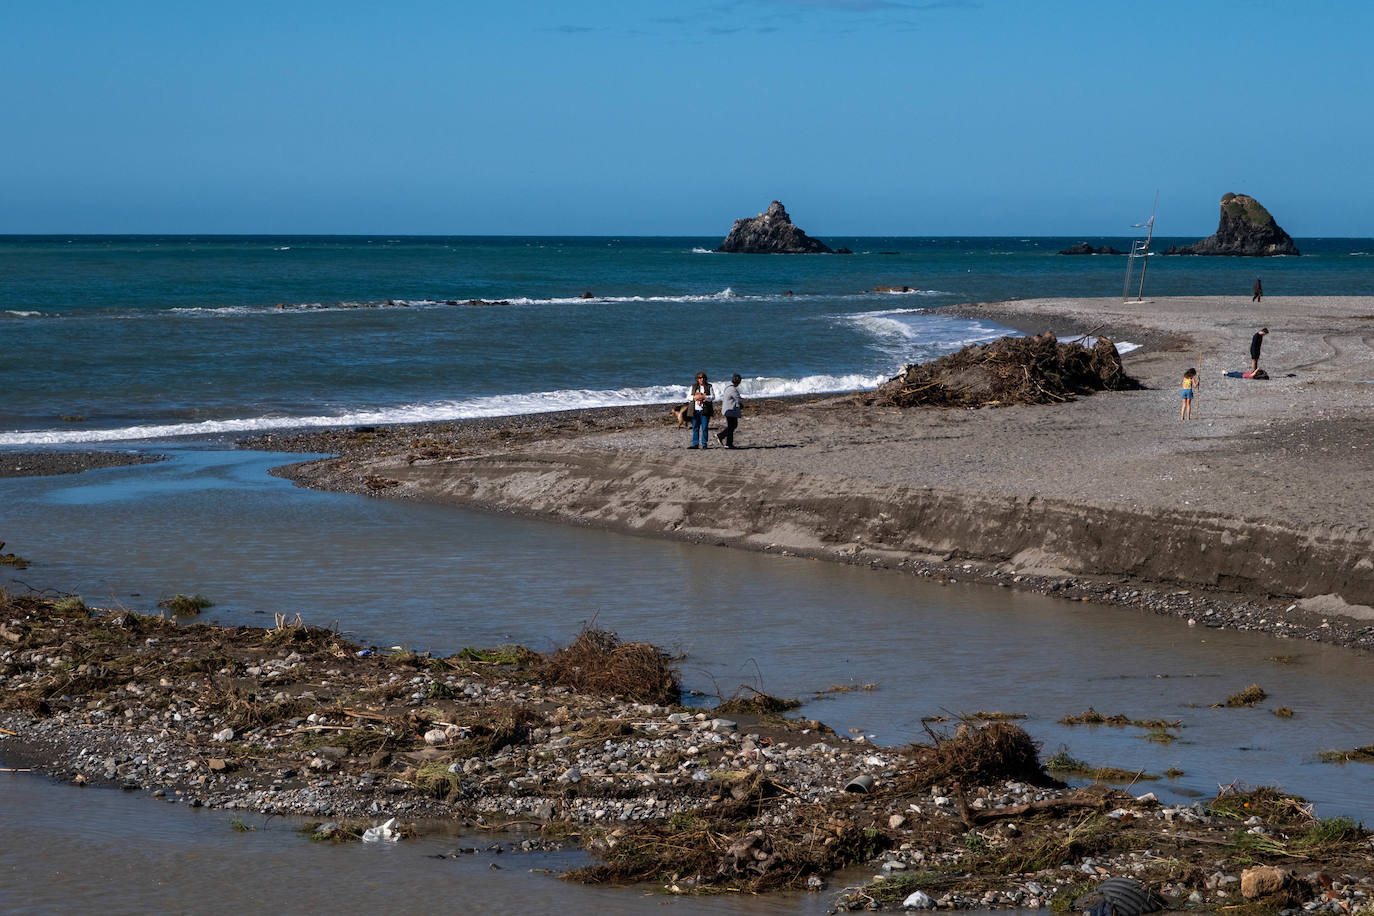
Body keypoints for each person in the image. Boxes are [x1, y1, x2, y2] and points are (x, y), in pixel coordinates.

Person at [716, 373, 744, 448]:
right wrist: (744, 400)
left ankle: (727, 441)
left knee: (732, 426)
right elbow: (738, 399)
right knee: (732, 426)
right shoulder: (733, 390)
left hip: (728, 410)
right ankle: (723, 438)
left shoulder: (728, 388)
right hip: (730, 410)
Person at [687, 372, 713, 449]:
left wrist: (705, 397)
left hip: (705, 410)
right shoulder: (693, 387)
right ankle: (695, 444)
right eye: (699, 378)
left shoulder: (709, 386)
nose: (701, 379)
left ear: (705, 379)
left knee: (704, 427)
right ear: (697, 379)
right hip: (695, 410)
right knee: (695, 427)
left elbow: (713, 397)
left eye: (703, 378)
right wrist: (694, 398)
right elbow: (688, 397)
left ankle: (704, 443)